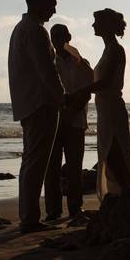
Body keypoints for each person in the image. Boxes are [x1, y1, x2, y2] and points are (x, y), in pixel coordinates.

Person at [7, 0, 65, 233]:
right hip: (40, 103)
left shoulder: (23, 28)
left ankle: (28, 215)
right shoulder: (34, 31)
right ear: (37, 3)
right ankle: (29, 219)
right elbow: (46, 71)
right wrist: (62, 96)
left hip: (29, 102)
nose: (53, 11)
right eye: (51, 5)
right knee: (36, 162)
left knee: (31, 160)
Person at [71, 8, 130, 199]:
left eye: (97, 22)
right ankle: (124, 190)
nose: (93, 25)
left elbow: (105, 82)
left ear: (106, 25)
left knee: (114, 150)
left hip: (112, 107)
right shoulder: (107, 50)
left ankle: (127, 190)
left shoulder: (116, 50)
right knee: (111, 150)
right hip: (105, 108)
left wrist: (80, 92)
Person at [45, 24, 93, 220]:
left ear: (69, 37)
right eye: (54, 36)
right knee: (52, 169)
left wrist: (71, 110)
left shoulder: (81, 63)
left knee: (74, 168)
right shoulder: (49, 62)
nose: (57, 40)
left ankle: (75, 208)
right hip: (55, 121)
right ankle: (53, 211)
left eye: (61, 36)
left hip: (76, 120)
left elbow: (88, 90)